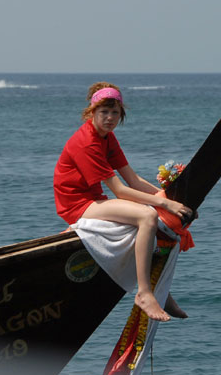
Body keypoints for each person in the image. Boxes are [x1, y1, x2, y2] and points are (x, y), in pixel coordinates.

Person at [54, 82, 192, 322]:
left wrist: (167, 197)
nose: (109, 118)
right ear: (91, 113)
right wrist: (166, 205)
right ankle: (144, 293)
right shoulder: (87, 142)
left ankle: (161, 290)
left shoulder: (107, 138)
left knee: (155, 214)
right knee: (147, 216)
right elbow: (120, 190)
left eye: (115, 112)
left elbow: (133, 180)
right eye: (103, 112)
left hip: (94, 199)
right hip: (77, 205)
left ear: (121, 114)